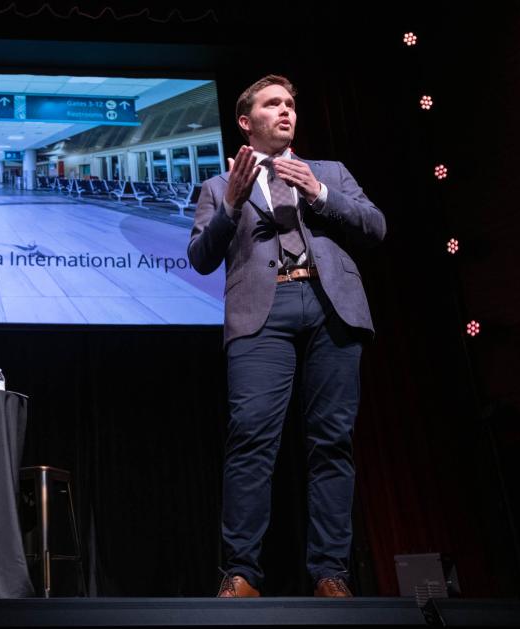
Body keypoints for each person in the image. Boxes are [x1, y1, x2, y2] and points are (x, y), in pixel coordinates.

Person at [187, 75, 386, 598]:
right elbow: (200, 258)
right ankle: (242, 573)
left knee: (332, 441)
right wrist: (231, 206)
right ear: (245, 120)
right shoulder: (215, 186)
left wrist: (318, 193)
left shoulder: (330, 172)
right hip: (262, 311)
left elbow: (375, 226)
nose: (286, 111)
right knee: (252, 438)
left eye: (291, 104)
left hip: (330, 307)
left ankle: (330, 573)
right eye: (272, 104)